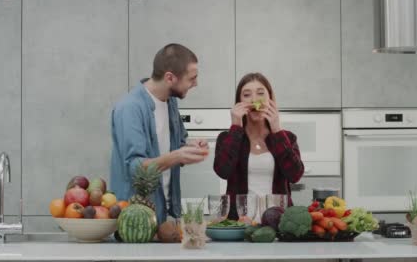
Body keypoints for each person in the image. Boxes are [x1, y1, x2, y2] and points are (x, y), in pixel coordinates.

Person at [110, 43, 208, 224]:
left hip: (163, 215)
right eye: (191, 78)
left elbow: (174, 145)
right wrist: (177, 155)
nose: (196, 83)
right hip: (135, 220)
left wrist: (189, 147)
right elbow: (135, 168)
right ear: (170, 78)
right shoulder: (130, 108)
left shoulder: (170, 102)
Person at [214, 72, 304, 220]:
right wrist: (236, 126)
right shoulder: (227, 138)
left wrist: (276, 129)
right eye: (247, 95)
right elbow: (223, 171)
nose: (254, 100)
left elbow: (295, 175)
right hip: (239, 224)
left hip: (279, 223)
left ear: (270, 99)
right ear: (239, 103)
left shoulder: (287, 137)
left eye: (260, 93)